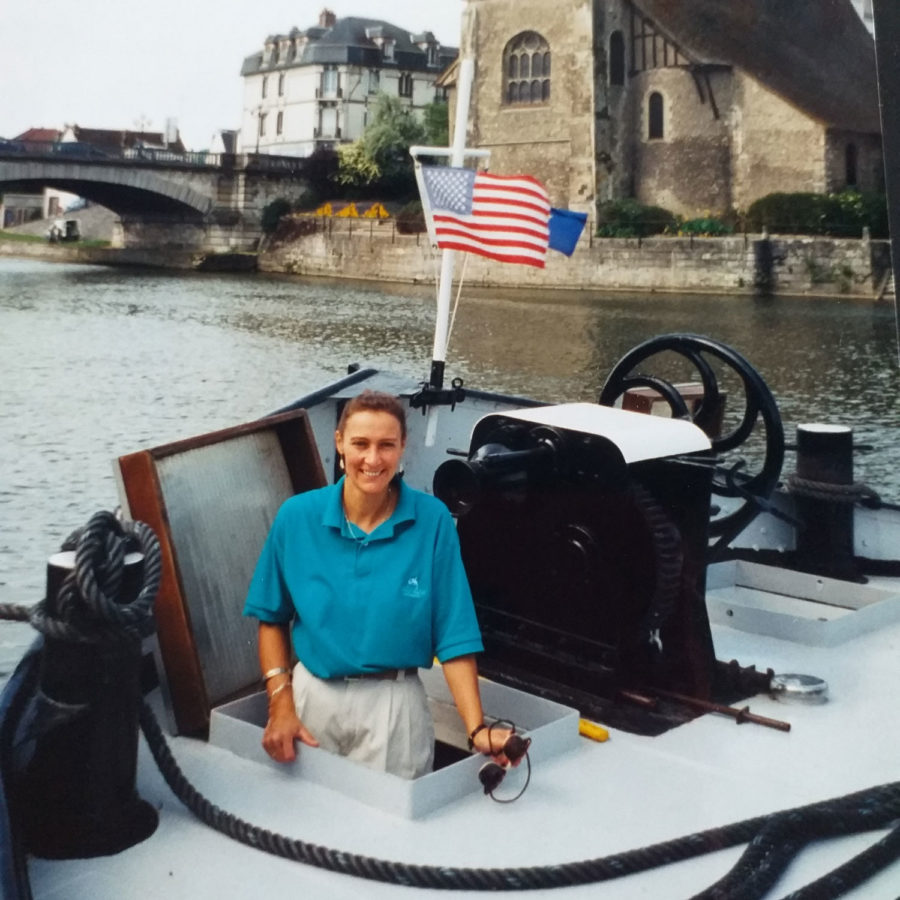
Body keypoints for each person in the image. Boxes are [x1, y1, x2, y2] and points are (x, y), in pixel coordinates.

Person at [243, 390, 514, 779]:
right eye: (360, 444)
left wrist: (476, 729)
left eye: (386, 445)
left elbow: (454, 635)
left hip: (395, 707)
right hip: (311, 696)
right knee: (302, 822)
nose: (373, 459)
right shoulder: (297, 517)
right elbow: (270, 618)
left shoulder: (433, 521)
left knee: (387, 832)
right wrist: (280, 704)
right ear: (339, 443)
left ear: (403, 445)